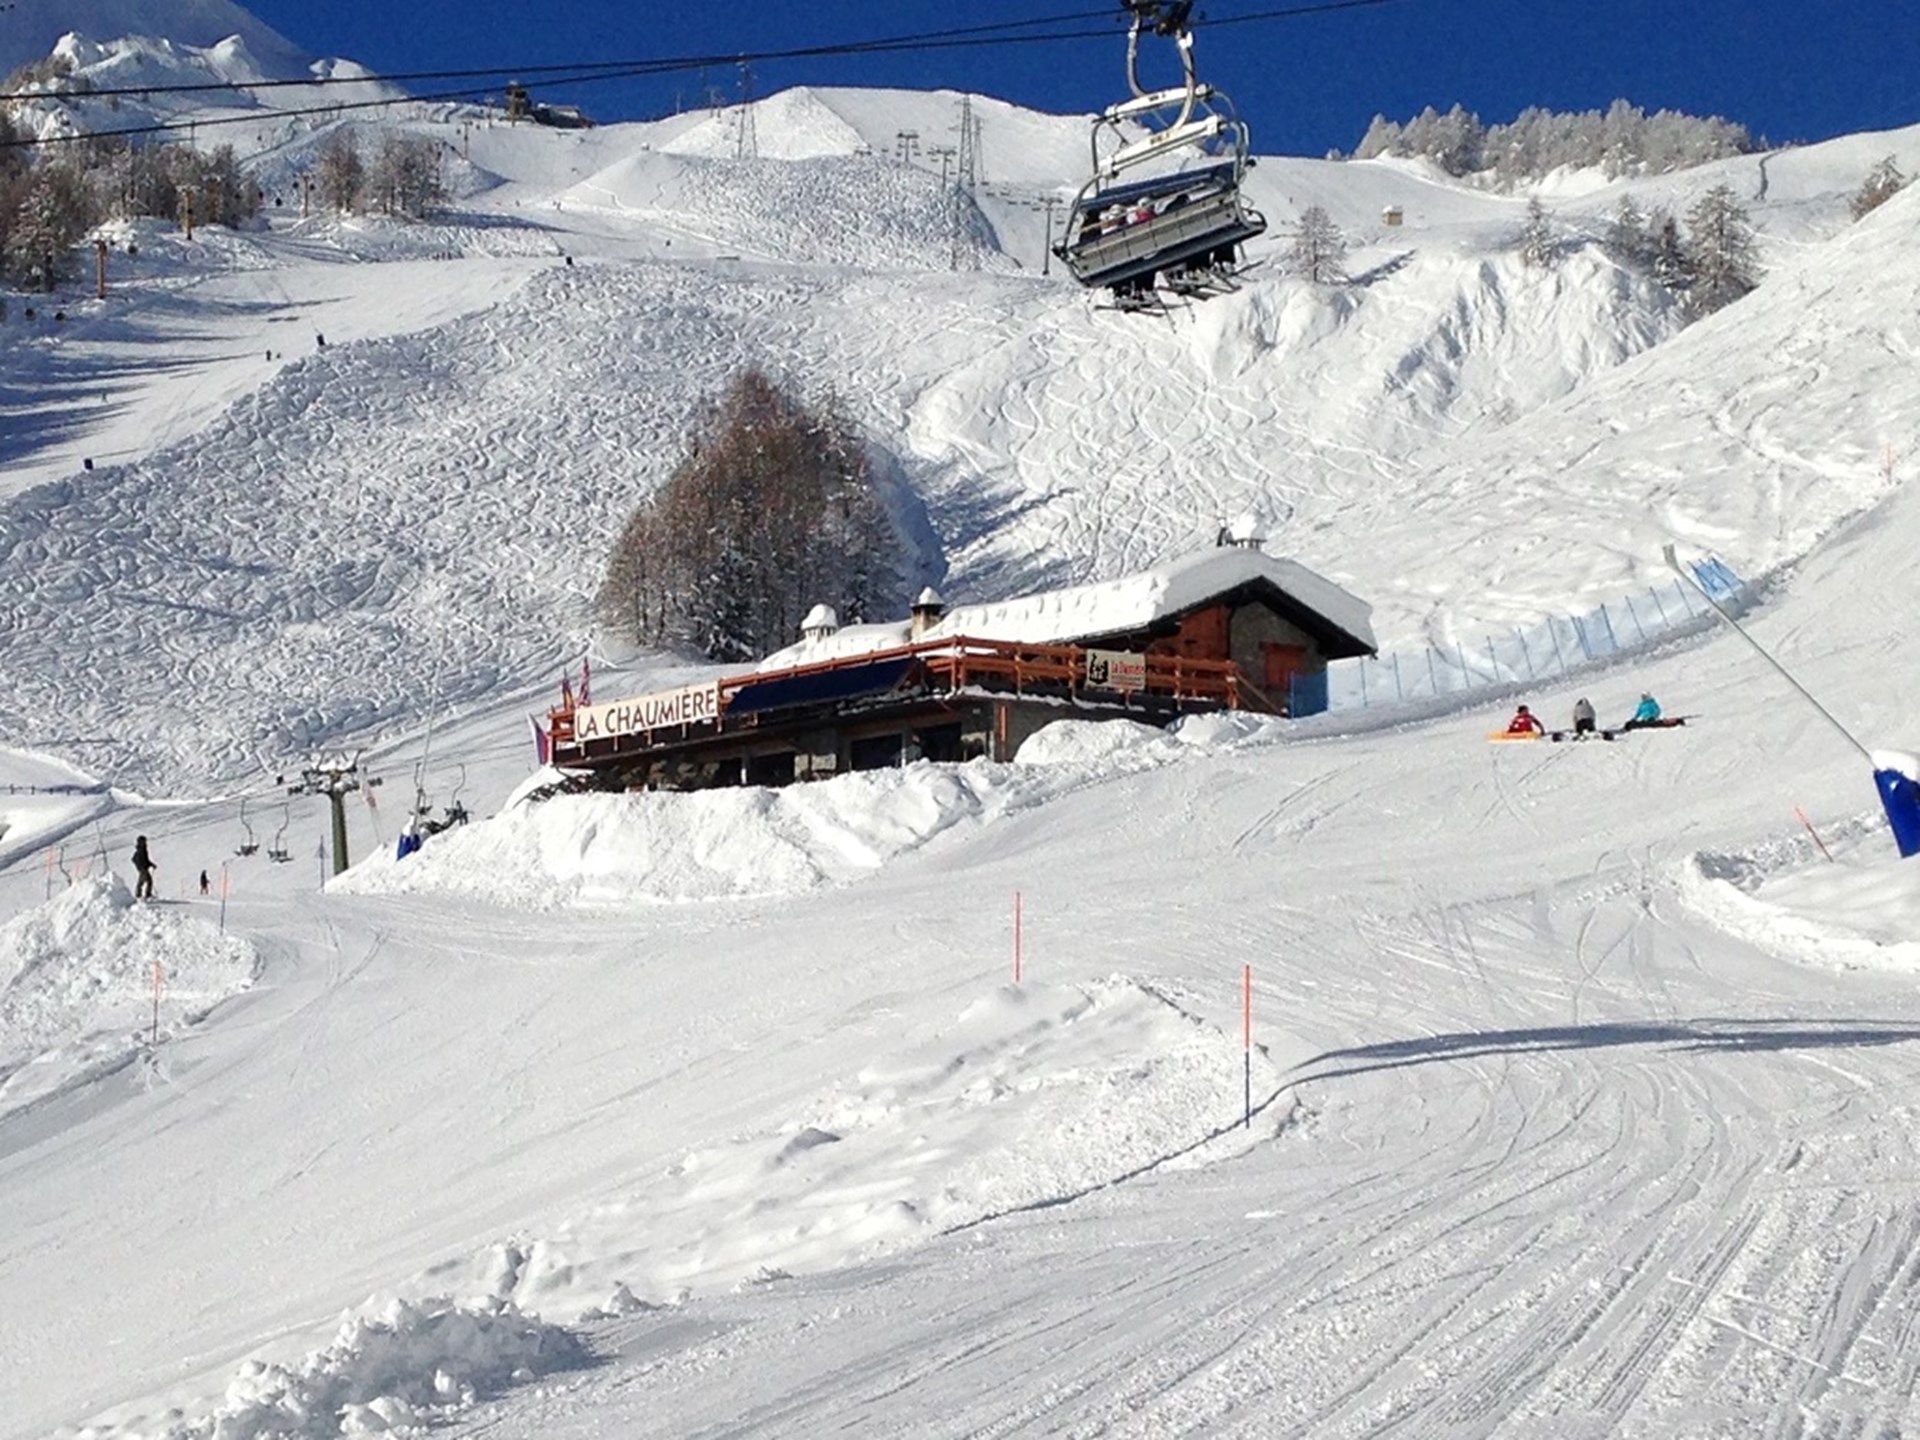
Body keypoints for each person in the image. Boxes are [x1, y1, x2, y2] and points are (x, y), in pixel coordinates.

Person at [132, 835, 155, 900]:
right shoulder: (141, 850)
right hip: (143, 869)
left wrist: (151, 864)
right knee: (147, 881)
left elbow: (145, 860)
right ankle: (144, 895)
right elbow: (136, 859)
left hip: (143, 868)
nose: (145, 842)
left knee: (144, 881)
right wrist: (142, 866)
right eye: (144, 841)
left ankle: (140, 895)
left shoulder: (141, 849)